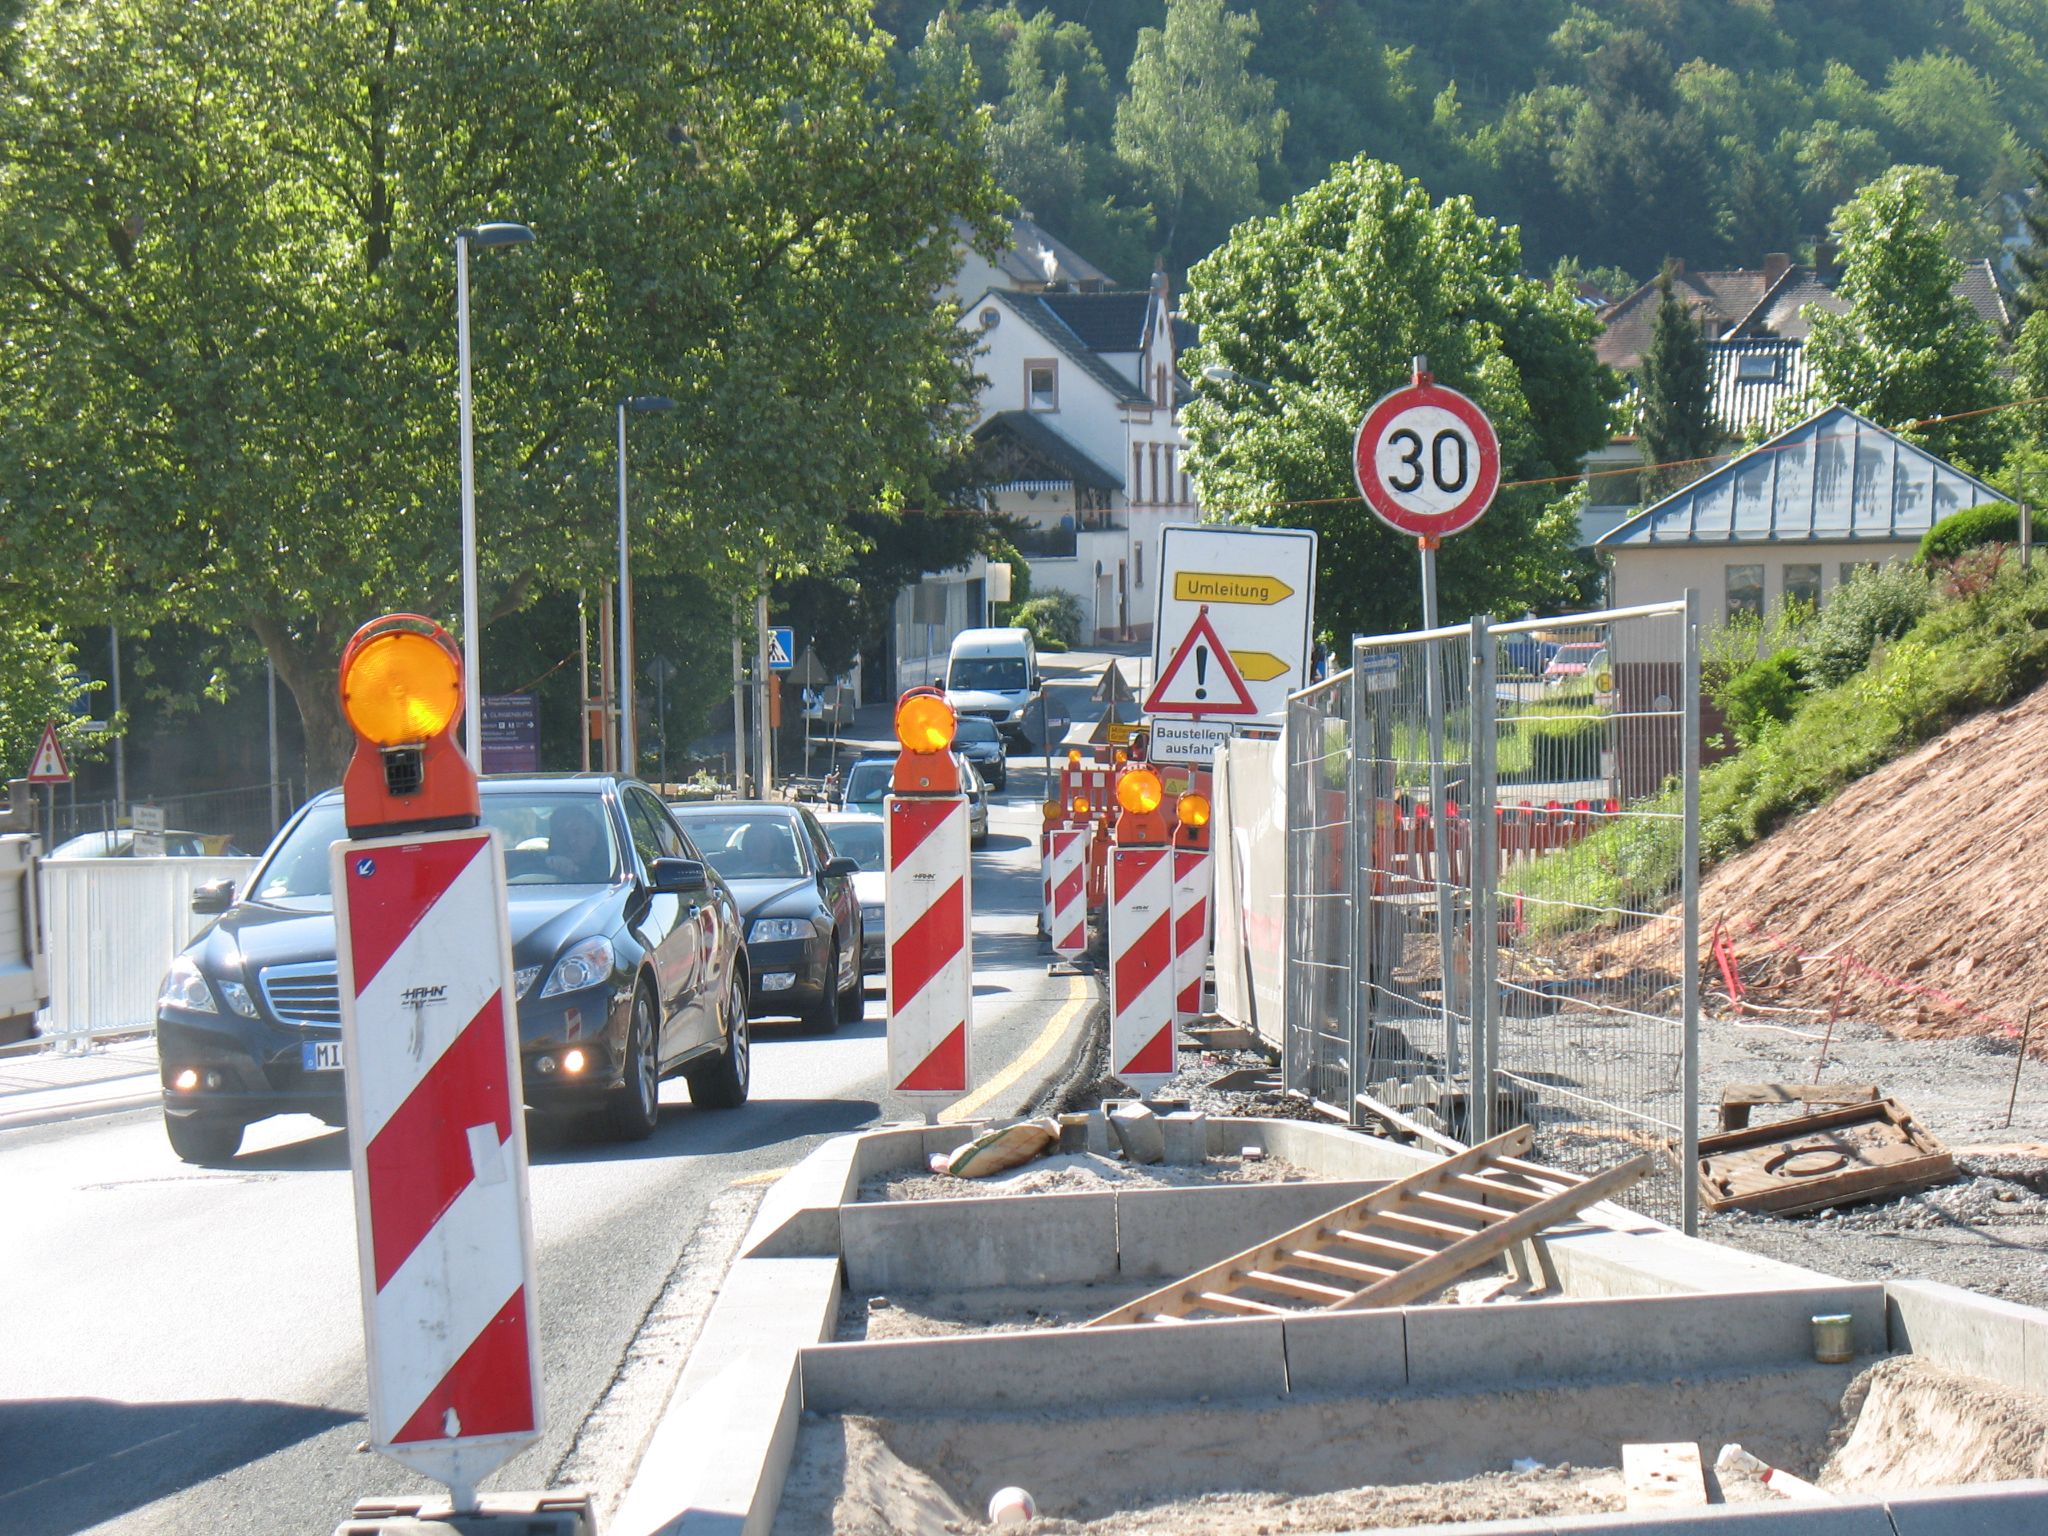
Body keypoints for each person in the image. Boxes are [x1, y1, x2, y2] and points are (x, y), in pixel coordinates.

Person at [545, 805, 610, 882]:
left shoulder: (612, 871)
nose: (570, 841)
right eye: (562, 835)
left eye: (577, 833)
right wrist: (548, 865)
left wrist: (576, 872)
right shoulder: (537, 870)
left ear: (593, 836)